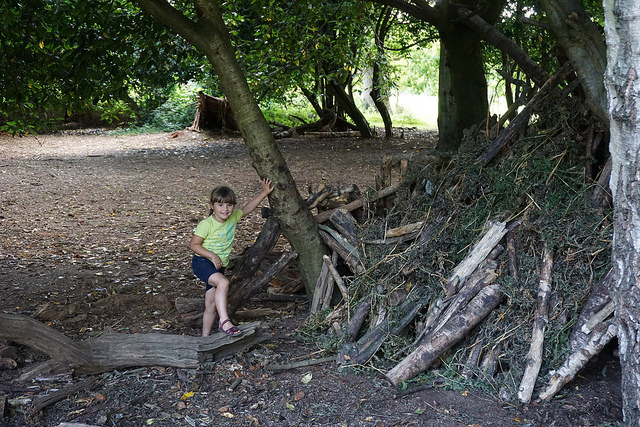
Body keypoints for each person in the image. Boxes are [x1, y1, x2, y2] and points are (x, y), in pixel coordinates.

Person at [189, 178, 274, 337]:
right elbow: (194, 245)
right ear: (212, 205)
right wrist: (212, 255)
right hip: (202, 262)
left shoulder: (233, 217)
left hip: (218, 266)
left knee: (211, 304)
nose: (225, 209)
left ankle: (204, 339)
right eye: (220, 205)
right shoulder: (206, 224)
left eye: (229, 205)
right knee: (223, 282)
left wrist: (264, 193)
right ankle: (224, 321)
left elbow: (247, 208)